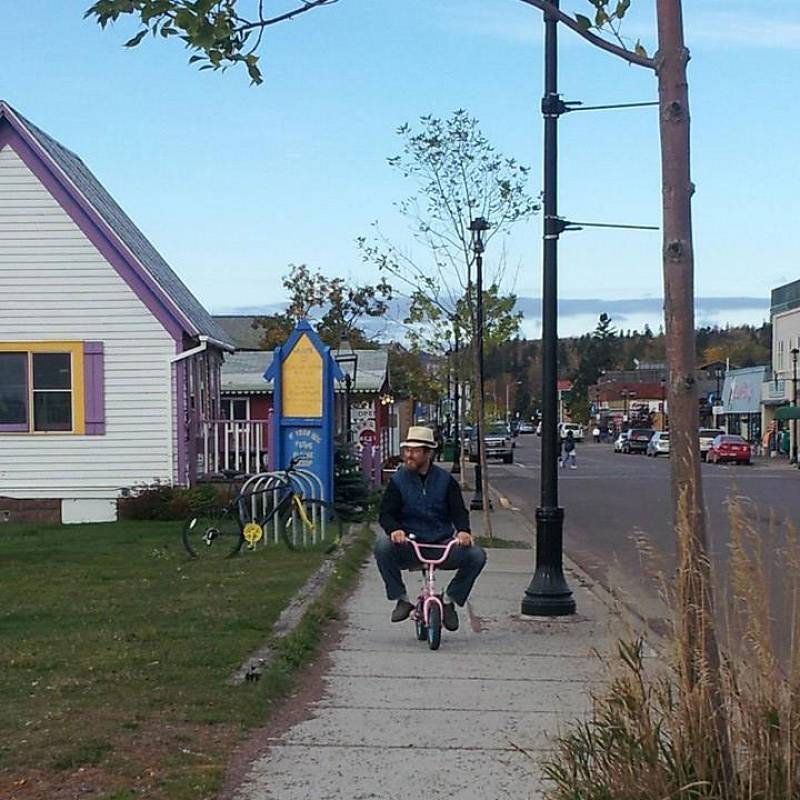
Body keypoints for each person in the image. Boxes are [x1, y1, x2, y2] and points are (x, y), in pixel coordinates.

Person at [374, 425, 487, 632]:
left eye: (415, 451)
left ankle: (450, 601)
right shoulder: (398, 481)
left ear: (428, 453)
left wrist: (463, 531)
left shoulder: (446, 481)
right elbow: (386, 514)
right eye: (407, 450)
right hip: (409, 544)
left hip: (442, 545)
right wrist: (395, 530)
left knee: (477, 555)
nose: (408, 455)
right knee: (382, 546)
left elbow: (459, 511)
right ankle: (401, 598)